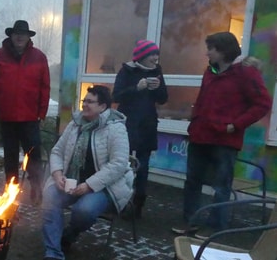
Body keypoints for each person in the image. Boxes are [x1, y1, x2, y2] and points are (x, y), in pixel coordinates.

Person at [171, 32, 271, 239]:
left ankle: (215, 227)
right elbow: (202, 102)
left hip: (224, 140)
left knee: (221, 186)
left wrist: (235, 125)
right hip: (200, 136)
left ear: (224, 50)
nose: (207, 52)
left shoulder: (246, 73)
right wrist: (193, 125)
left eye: (211, 48)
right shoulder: (210, 71)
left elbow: (263, 103)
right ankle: (191, 222)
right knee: (192, 181)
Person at [41, 85, 133, 260]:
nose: (84, 105)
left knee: (83, 210)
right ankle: (53, 253)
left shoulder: (116, 128)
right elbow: (57, 152)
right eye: (84, 100)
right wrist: (57, 174)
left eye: (90, 102)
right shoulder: (75, 124)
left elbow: (119, 164)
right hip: (71, 182)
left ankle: (69, 235)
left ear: (103, 107)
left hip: (103, 187)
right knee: (50, 196)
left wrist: (90, 185)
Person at [0, 20, 51, 203]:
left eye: (23, 34)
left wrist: (42, 112)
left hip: (30, 116)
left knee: (34, 153)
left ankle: (36, 187)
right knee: (10, 156)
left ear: (28, 37)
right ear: (11, 36)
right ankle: (10, 189)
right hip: (6, 116)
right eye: (16, 33)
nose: (20, 36)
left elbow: (45, 87)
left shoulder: (39, 57)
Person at [112, 40, 168, 218]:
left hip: (147, 125)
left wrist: (158, 89)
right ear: (142, 56)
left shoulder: (157, 72)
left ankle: (138, 205)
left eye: (156, 54)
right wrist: (137, 87)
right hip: (127, 125)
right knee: (122, 164)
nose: (155, 58)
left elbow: (163, 99)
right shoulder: (127, 71)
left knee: (143, 167)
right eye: (152, 54)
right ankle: (118, 200)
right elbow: (117, 96)